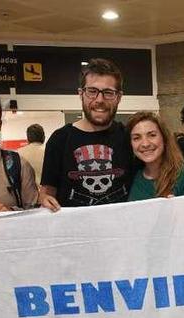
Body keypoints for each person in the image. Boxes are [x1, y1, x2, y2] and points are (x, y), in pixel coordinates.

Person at [40, 58, 135, 207]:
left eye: (108, 93)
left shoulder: (129, 137)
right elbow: (47, 193)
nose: (99, 100)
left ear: (119, 97)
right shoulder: (60, 140)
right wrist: (44, 201)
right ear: (80, 94)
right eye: (92, 91)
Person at [127, 111, 184, 200]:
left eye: (152, 135)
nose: (145, 144)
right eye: (137, 138)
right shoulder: (132, 176)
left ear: (164, 138)